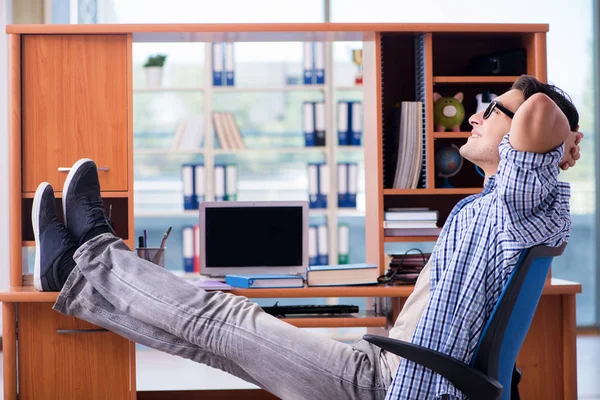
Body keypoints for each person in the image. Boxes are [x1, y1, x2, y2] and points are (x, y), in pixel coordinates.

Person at [32, 75, 582, 400]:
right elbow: (532, 119)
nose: (474, 118)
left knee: (224, 317)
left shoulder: (518, 201)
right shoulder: (515, 202)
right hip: (396, 370)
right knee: (210, 340)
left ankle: (95, 253)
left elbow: (535, 109)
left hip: (389, 385)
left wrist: (555, 135)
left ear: (530, 139)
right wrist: (554, 146)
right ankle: (73, 276)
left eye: (491, 109)